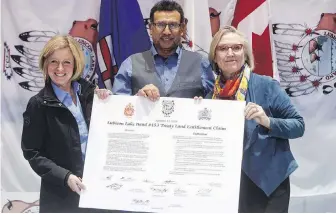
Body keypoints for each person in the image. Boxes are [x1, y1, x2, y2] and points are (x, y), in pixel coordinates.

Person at [207, 26, 305, 213]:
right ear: (214, 56)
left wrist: (267, 121)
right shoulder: (210, 95)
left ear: (245, 53)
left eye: (236, 47)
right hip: (228, 183)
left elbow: (299, 125)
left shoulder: (266, 85)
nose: (230, 53)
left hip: (269, 181)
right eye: (223, 48)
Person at [21, 35, 111, 213]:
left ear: (76, 64)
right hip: (61, 198)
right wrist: (65, 177)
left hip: (98, 192)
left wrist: (110, 103)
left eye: (67, 62)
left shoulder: (92, 95)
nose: (60, 68)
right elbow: (32, 153)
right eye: (53, 61)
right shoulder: (38, 104)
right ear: (45, 64)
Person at [112, 0, 215, 100]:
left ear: (182, 29)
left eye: (173, 25)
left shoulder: (201, 63)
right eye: (160, 25)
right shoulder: (130, 64)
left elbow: (215, 106)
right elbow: (117, 108)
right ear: (151, 28)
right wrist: (136, 101)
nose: (166, 32)